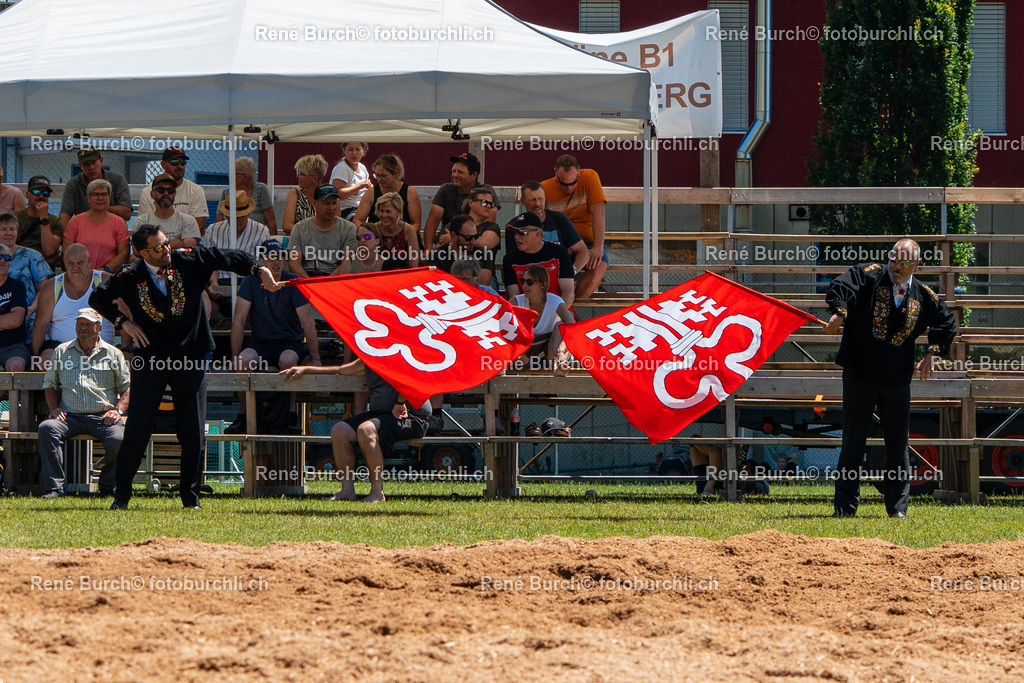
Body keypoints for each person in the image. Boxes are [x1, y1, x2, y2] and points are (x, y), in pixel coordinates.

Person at [89, 224, 283, 510]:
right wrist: (124, 322)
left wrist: (258, 269)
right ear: (142, 252)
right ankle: (122, 497)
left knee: (192, 429)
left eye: (166, 243)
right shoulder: (130, 275)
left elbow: (226, 256)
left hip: (189, 354)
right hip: (150, 355)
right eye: (158, 247)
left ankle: (191, 498)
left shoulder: (188, 259)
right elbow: (98, 298)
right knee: (138, 427)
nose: (166, 249)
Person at [823, 238, 957, 519]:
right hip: (860, 373)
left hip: (897, 378)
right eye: (894, 259)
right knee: (853, 441)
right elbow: (841, 286)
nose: (897, 266)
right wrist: (839, 312)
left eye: (904, 261)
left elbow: (946, 321)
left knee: (897, 444)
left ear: (916, 264)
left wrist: (932, 352)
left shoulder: (923, 295)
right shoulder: (868, 275)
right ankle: (845, 507)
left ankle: (897, 509)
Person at [282, 360, 430, 503]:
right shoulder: (368, 356)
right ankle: (347, 491)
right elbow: (341, 370)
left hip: (411, 416)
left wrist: (400, 402)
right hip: (381, 414)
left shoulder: (401, 351)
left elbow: (414, 378)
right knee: (340, 430)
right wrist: (306, 369)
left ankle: (377, 493)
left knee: (366, 430)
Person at [228, 240, 321, 432]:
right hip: (261, 342)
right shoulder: (251, 281)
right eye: (271, 258)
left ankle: (290, 414)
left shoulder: (292, 281)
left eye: (280, 257)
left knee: (288, 360)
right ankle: (243, 415)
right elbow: (238, 320)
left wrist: (316, 358)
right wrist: (234, 356)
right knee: (243, 361)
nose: (276, 262)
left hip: (290, 342)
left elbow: (307, 322)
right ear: (262, 261)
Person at [37, 308, 129, 499]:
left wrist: (118, 411)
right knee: (47, 428)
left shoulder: (114, 354)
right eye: (80, 324)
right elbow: (50, 384)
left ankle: (106, 487)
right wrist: (55, 409)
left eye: (88, 324)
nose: (83, 328)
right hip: (70, 416)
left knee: (118, 440)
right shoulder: (61, 351)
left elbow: (126, 389)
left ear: (99, 328)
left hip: (103, 417)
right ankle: (55, 488)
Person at [32, 243, 114, 365]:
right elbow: (40, 324)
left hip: (99, 345)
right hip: (59, 345)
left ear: (89, 261)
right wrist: (36, 358)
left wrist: (126, 348)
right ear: (64, 263)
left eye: (80, 263)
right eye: (71, 263)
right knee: (45, 361)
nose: (75, 267)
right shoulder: (52, 286)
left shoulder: (106, 281)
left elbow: (125, 315)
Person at [541, 155, 608, 300]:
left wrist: (598, 246)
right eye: (563, 184)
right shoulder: (545, 188)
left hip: (587, 241)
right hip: (560, 243)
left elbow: (599, 212)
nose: (569, 188)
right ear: (555, 173)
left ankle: (570, 306)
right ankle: (561, 306)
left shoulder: (590, 177)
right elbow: (543, 223)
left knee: (598, 267)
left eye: (574, 182)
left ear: (579, 172)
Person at [422, 152, 499, 250]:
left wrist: (455, 238)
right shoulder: (445, 189)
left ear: (474, 175)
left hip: (475, 251)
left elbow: (487, 223)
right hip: (450, 249)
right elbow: (432, 222)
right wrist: (427, 251)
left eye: (460, 172)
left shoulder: (486, 192)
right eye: (453, 171)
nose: (455, 175)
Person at [507, 181, 588, 272]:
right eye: (532, 200)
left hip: (560, 279)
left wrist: (571, 272)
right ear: (523, 201)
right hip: (529, 279)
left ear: (545, 198)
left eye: (540, 199)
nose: (537, 204)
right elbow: (512, 262)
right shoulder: (514, 227)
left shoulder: (560, 220)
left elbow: (583, 251)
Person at [502, 212, 575, 307]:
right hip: (527, 316)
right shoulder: (510, 259)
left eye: (522, 232)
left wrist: (553, 317)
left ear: (537, 234)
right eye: (514, 232)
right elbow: (515, 298)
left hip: (558, 315)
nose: (516, 236)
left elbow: (568, 293)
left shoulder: (559, 253)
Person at [0, 212, 52, 339]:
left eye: (12, 229)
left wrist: (30, 309)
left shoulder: (31, 255)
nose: (8, 233)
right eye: (3, 229)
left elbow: (45, 288)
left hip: (28, 316)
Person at [288, 184, 358, 277]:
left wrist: (325, 283)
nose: (331, 207)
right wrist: (310, 283)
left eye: (334, 203)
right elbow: (294, 264)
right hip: (306, 278)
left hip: (334, 280)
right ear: (315, 203)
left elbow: (347, 263)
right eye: (326, 203)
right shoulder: (299, 228)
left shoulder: (349, 228)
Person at [62, 178, 131, 272]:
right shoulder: (75, 222)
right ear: (88, 199)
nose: (100, 198)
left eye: (104, 194)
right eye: (95, 194)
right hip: (79, 274)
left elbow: (124, 254)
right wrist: (80, 270)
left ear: (109, 198)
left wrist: (104, 270)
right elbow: (67, 252)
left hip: (108, 276)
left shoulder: (119, 222)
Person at [511, 265, 574, 367]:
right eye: (523, 281)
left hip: (549, 350)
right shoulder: (516, 301)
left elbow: (573, 326)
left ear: (542, 285)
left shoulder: (555, 301)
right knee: (509, 326)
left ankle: (560, 362)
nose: (524, 286)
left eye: (530, 282)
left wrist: (562, 350)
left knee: (561, 326)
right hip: (524, 354)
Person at [136, 148, 209, 233]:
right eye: (174, 162)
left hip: (185, 244)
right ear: (163, 164)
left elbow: (198, 228)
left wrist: (178, 243)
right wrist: (169, 243)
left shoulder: (196, 190)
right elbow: (145, 229)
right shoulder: (147, 192)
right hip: (155, 244)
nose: (179, 166)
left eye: (183, 163)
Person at [58, 147, 133, 225]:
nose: (91, 168)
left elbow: (126, 214)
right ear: (80, 166)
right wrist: (65, 234)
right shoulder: (73, 184)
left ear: (101, 160)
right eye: (86, 164)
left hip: (112, 230)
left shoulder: (117, 180)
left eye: (93, 162)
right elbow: (65, 215)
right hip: (84, 231)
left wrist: (100, 206)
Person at [352, 154, 421, 229]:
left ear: (395, 173)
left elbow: (416, 223)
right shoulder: (371, 192)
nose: (379, 179)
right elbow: (358, 220)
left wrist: (406, 237)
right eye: (376, 175)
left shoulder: (410, 192)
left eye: (383, 176)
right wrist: (368, 235)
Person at [135, 173, 201, 249]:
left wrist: (154, 247)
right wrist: (172, 244)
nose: (166, 193)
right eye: (161, 190)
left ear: (175, 194)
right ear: (152, 195)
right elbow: (137, 250)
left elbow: (190, 247)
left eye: (170, 190)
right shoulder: (141, 221)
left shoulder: (188, 220)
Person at [429, 214, 496, 287]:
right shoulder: (436, 256)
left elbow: (482, 287)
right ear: (454, 236)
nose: (473, 242)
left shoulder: (483, 254)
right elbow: (435, 285)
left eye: (476, 237)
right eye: (468, 238)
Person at [216, 157, 277, 234]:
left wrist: (271, 241)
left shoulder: (261, 189)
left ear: (244, 177)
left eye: (233, 174)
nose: (229, 176)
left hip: (257, 237)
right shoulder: (226, 193)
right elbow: (218, 221)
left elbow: (271, 222)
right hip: (229, 237)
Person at [362, 191, 421, 269]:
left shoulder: (408, 230)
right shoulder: (374, 229)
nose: (384, 215)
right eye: (381, 211)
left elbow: (414, 264)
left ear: (398, 212)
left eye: (388, 211)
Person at [15, 175, 64, 263]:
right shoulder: (15, 218)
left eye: (46, 193)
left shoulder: (56, 222)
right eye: (36, 192)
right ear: (27, 194)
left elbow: (49, 251)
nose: (41, 196)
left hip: (43, 270)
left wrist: (43, 217)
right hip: (18, 266)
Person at [0, 243, 30, 375]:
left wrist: (9, 321)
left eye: (6, 258)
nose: (2, 261)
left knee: (16, 365)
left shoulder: (17, 286)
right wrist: (4, 322)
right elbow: (10, 319)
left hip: (13, 346)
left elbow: (16, 320)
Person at [283, 154, 328, 234]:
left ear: (314, 178)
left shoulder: (328, 196)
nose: (297, 176)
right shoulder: (295, 194)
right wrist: (310, 233)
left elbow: (334, 225)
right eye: (298, 172)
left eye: (302, 174)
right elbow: (287, 226)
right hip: (299, 240)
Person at [330, 142, 373, 221]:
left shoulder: (362, 168)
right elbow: (337, 194)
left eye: (357, 149)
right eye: (350, 149)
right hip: (347, 211)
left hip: (362, 208)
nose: (354, 153)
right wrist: (360, 186)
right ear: (344, 151)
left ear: (363, 150)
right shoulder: (342, 168)